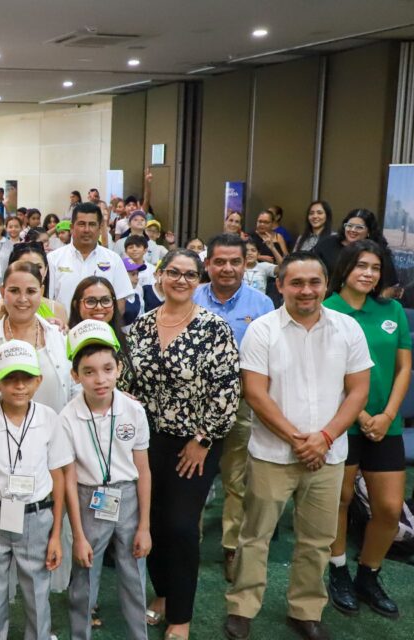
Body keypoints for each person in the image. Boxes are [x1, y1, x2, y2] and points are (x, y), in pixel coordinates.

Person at [223, 252, 373, 640]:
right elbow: (255, 393)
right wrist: (296, 438)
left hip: (329, 453)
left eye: (314, 282)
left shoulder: (347, 329)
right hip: (273, 454)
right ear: (280, 286)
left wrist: (323, 438)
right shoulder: (263, 330)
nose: (306, 290)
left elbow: (358, 391)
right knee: (255, 535)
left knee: (318, 538)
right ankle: (242, 606)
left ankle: (305, 610)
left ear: (326, 285)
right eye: (296, 283)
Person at [124, 250, 241, 639]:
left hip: (197, 441)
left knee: (180, 525)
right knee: (151, 519)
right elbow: (126, 386)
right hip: (147, 441)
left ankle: (181, 615)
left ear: (199, 280)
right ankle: (163, 594)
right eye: (173, 272)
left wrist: (202, 440)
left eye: (189, 274)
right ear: (159, 276)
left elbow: (227, 391)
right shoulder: (139, 327)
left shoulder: (214, 328)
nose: (180, 280)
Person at [320, 240, 412, 619]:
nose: (368, 273)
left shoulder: (392, 311)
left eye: (375, 267)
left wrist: (388, 415)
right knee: (339, 500)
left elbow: (405, 368)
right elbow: (325, 371)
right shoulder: (327, 309)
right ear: (345, 268)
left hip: (386, 425)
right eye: (361, 265)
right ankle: (338, 570)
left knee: (389, 508)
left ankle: (369, 575)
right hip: (342, 422)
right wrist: (359, 415)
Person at [0, 339, 70, 640]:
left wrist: (57, 533)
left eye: (25, 378)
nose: (18, 386)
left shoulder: (49, 419)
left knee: (37, 590)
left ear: (38, 381)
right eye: (9, 378)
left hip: (37, 515)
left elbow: (58, 475)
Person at [59, 320, 153, 640]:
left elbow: (143, 470)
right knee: (84, 577)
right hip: (88, 498)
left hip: (127, 497)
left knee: (134, 575)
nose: (100, 379)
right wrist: (79, 535)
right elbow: (69, 478)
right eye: (89, 371)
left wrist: (144, 527)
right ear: (76, 375)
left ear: (118, 368)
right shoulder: (67, 417)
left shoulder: (134, 411)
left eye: (107, 368)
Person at [192, 234, 275, 582]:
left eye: (234, 262)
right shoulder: (190, 296)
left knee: (236, 479)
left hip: (242, 403)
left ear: (246, 265)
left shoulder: (262, 305)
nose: (227, 268)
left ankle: (231, 547)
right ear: (208, 264)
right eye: (219, 261)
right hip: (193, 405)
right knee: (191, 477)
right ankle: (188, 543)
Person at [0, 261, 74, 420]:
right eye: (14, 291)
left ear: (41, 292)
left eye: (31, 291)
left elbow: (75, 388)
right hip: (3, 440)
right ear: (2, 291)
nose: (22, 299)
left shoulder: (59, 337)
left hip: (57, 438)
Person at [49, 203, 133, 317]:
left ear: (99, 229)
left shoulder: (114, 260)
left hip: (101, 331)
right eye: (81, 224)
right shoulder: (53, 259)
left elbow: (120, 302)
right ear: (72, 228)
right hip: (63, 331)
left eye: (92, 224)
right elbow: (47, 301)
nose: (87, 230)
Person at [313, 209, 399, 297]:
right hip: (328, 298)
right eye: (349, 226)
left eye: (359, 227)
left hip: (367, 303)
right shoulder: (327, 244)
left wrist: (375, 306)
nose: (353, 230)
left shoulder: (378, 251)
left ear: (369, 231)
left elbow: (390, 286)